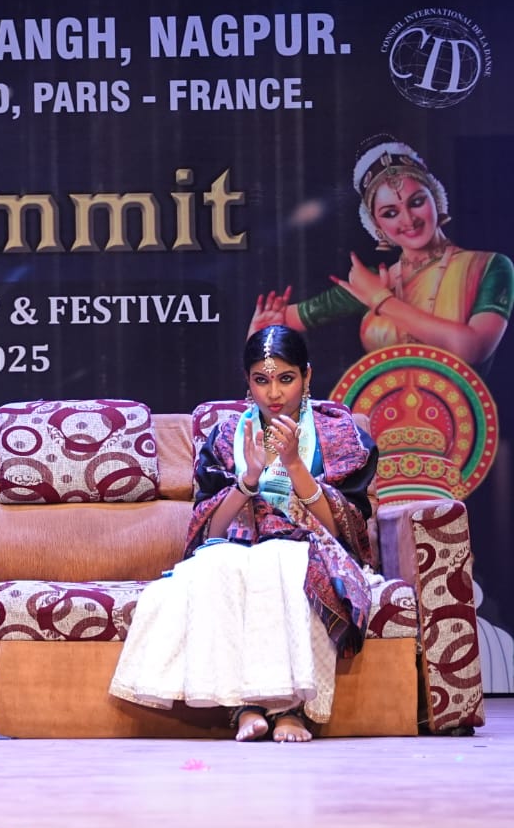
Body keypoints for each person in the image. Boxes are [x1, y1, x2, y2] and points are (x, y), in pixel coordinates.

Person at [109, 325, 379, 742]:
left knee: (278, 562)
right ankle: (245, 706)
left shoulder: (340, 435)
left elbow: (345, 530)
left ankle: (288, 709)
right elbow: (208, 530)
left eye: (286, 378)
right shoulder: (225, 437)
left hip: (309, 543)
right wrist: (248, 479)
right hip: (240, 543)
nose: (274, 393)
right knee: (215, 564)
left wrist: (294, 465)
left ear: (307, 375)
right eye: (261, 380)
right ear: (247, 382)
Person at [251, 139, 512, 370]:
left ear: (435, 197)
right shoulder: (370, 282)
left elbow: (472, 348)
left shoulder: (489, 266)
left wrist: (380, 299)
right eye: (390, 213)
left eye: (417, 202)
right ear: (377, 225)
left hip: (463, 409)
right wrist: (259, 329)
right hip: (377, 410)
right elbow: (273, 329)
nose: (408, 219)